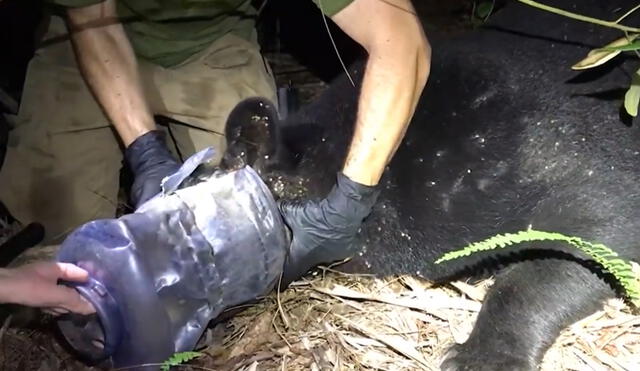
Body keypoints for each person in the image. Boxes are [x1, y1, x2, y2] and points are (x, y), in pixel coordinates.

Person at [0, 0, 429, 310]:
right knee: (63, 250)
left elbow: (402, 42)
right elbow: (91, 18)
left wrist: (349, 202)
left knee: (253, 217)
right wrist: (145, 151)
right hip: (88, 41)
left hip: (213, 43)